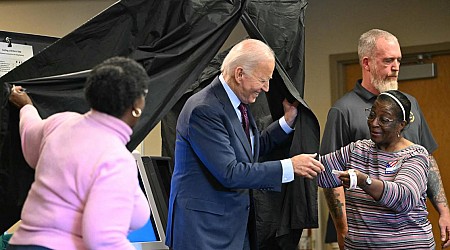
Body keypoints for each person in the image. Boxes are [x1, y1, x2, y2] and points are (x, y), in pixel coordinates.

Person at [165, 38, 324, 250]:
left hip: (233, 228)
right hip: (204, 233)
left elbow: (249, 150)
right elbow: (230, 172)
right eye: (262, 80)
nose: (267, 88)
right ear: (240, 74)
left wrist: (286, 122)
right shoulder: (204, 109)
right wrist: (290, 166)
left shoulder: (238, 102)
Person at [321, 28, 450, 249]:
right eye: (388, 60)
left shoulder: (409, 105)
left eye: (399, 60)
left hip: (409, 235)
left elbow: (427, 161)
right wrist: (342, 228)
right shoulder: (343, 110)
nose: (396, 67)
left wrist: (444, 211)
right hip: (367, 237)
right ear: (367, 63)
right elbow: (330, 177)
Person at [7, 57, 151, 250]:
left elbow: (29, 133)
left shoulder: (61, 123)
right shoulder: (115, 158)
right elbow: (102, 239)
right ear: (136, 107)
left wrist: (26, 107)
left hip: (21, 244)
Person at [318, 90, 435, 249]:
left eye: (384, 120)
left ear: (402, 125)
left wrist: (363, 181)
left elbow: (403, 198)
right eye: (372, 115)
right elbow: (320, 173)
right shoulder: (357, 150)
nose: (374, 123)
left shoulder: (415, 155)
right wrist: (290, 165)